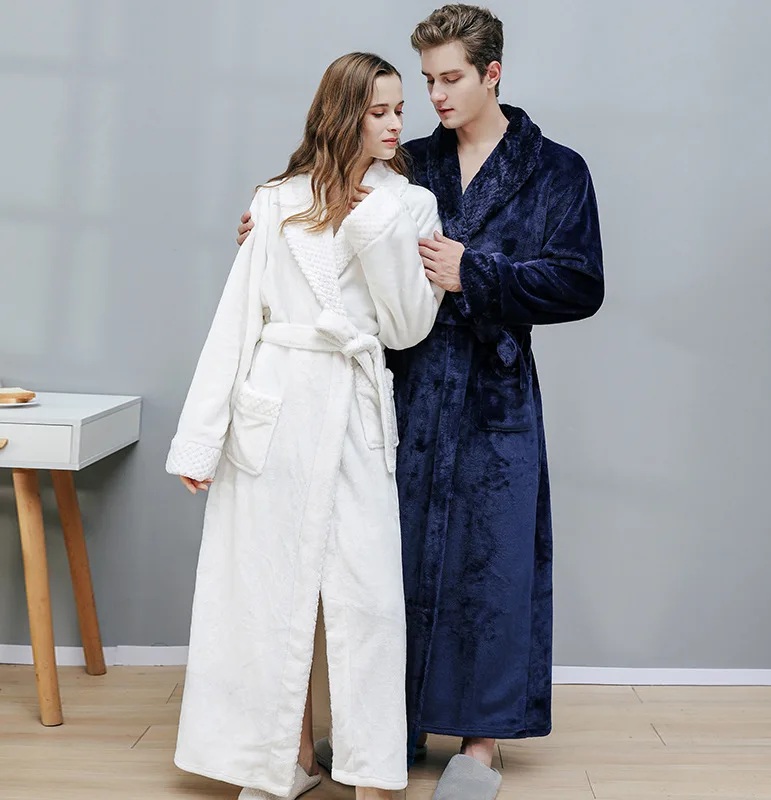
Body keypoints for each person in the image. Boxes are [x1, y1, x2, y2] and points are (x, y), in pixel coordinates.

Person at [237, 6, 604, 799]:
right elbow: (328, 223)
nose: (434, 96)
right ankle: (386, 728)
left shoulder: (557, 171)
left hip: (496, 392)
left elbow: (581, 283)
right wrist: (272, 228)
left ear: (492, 73)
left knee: (492, 563)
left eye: (451, 78)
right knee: (384, 565)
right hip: (402, 386)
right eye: (427, 79)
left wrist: (478, 272)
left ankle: (480, 745)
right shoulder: (407, 163)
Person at [167, 52, 443, 800]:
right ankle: (278, 763)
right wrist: (203, 437)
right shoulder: (276, 200)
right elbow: (237, 319)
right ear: (343, 113)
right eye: (379, 111)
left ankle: (371, 772)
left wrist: (376, 230)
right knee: (266, 592)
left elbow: (409, 326)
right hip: (276, 404)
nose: (395, 124)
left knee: (368, 601)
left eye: (400, 110)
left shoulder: (409, 205)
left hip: (355, 404)